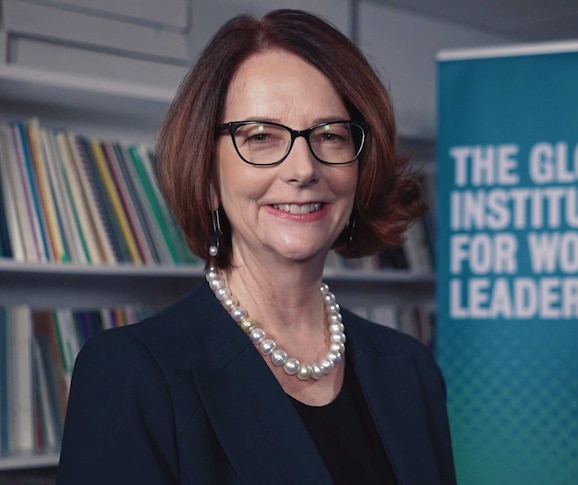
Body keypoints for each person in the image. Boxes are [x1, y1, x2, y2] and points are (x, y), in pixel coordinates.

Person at [56, 9, 456, 484]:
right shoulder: (133, 374)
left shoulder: (410, 370)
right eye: (261, 137)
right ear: (206, 173)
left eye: (329, 135)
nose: (303, 169)